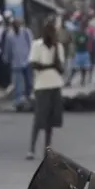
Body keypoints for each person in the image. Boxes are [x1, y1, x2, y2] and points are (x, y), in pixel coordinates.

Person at [26, 17, 65, 160]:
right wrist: (51, 66)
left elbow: (61, 68)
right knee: (39, 119)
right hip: (41, 86)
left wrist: (54, 56)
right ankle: (31, 149)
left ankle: (46, 149)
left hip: (55, 85)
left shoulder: (58, 47)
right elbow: (34, 65)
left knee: (51, 121)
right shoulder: (37, 45)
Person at [3, 18, 33, 110]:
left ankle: (27, 98)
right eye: (14, 25)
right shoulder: (10, 35)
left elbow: (31, 44)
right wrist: (6, 58)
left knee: (29, 82)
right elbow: (8, 48)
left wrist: (32, 57)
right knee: (18, 83)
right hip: (16, 62)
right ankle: (18, 101)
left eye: (17, 24)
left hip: (27, 60)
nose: (16, 26)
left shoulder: (26, 32)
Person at [66, 19, 92, 86]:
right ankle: (69, 80)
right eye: (81, 26)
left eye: (83, 26)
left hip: (84, 52)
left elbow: (87, 42)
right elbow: (75, 42)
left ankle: (82, 80)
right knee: (75, 68)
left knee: (84, 68)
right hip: (79, 52)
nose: (82, 27)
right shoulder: (77, 34)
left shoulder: (85, 34)